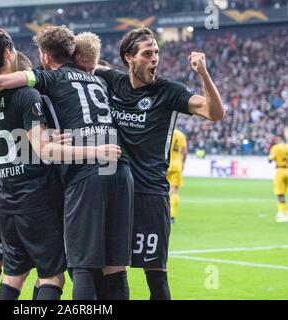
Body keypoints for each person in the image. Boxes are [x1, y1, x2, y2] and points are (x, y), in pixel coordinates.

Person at [0, 25, 133, 300]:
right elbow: (45, 150)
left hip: (6, 197)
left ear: (44, 56)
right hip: (41, 195)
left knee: (14, 276)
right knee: (56, 276)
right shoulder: (31, 94)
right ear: (8, 52)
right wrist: (85, 148)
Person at [94, 27, 224, 300]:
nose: (155, 58)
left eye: (157, 53)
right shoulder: (110, 80)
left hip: (150, 195)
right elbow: (76, 66)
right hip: (115, 193)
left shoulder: (169, 92)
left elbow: (214, 113)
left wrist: (203, 73)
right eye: (147, 53)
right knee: (109, 273)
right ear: (128, 57)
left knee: (156, 276)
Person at [167, 128, 188, 223]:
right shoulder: (181, 135)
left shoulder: (166, 132)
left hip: (165, 165)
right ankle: (172, 216)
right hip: (177, 165)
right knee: (174, 191)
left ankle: (163, 213)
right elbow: (185, 152)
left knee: (161, 190)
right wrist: (183, 164)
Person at [269, 132, 288, 223]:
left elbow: (270, 160)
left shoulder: (275, 148)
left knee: (280, 194)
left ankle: (282, 213)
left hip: (280, 171)